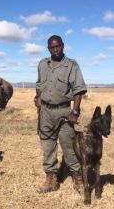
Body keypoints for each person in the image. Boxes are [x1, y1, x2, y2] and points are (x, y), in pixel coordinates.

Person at [34, 35, 87, 194]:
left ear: (63, 46)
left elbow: (78, 89)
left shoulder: (71, 65)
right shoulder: (43, 64)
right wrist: (37, 98)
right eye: (52, 47)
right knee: (48, 146)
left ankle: (78, 179)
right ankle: (51, 180)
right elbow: (39, 84)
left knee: (68, 146)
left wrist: (75, 111)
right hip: (46, 112)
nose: (55, 49)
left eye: (58, 46)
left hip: (64, 112)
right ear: (48, 48)